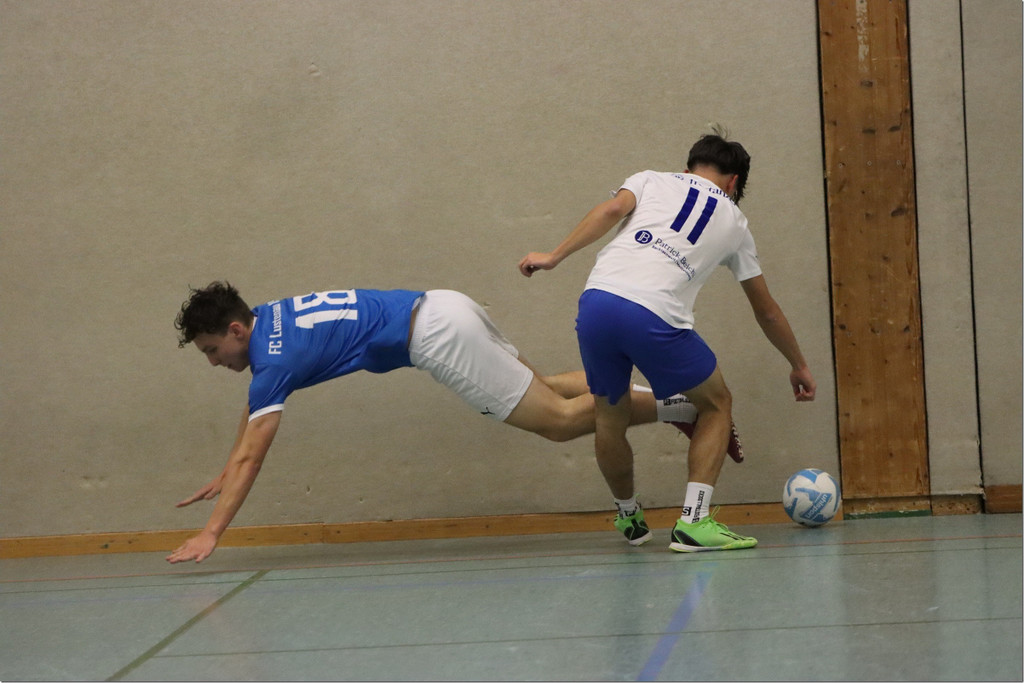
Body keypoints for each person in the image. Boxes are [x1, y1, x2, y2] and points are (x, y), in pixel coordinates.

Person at [167, 283, 743, 564]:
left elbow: (255, 451)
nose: (214, 362)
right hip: (446, 303)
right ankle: (678, 407)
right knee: (544, 389)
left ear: (236, 331)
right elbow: (257, 404)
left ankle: (680, 407)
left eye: (213, 350)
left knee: (559, 421)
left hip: (438, 339)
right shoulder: (270, 320)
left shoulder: (272, 362)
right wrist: (227, 466)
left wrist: (213, 532)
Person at [518, 131, 816, 552]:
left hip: (597, 301)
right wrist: (798, 364)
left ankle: (628, 514)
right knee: (717, 403)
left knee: (609, 416)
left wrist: (553, 256)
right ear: (733, 183)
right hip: (654, 314)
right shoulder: (735, 222)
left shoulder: (651, 179)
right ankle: (694, 522)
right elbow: (766, 310)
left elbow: (610, 210)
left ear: (688, 168)